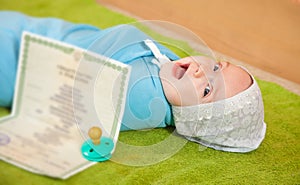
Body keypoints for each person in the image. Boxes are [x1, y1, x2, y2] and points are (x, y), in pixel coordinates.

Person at [0, 11, 266, 153]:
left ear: (194, 117)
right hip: (44, 34)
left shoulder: (143, 99)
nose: (201, 71)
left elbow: (79, 107)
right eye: (216, 67)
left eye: (207, 90)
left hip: (16, 58)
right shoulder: (168, 72)